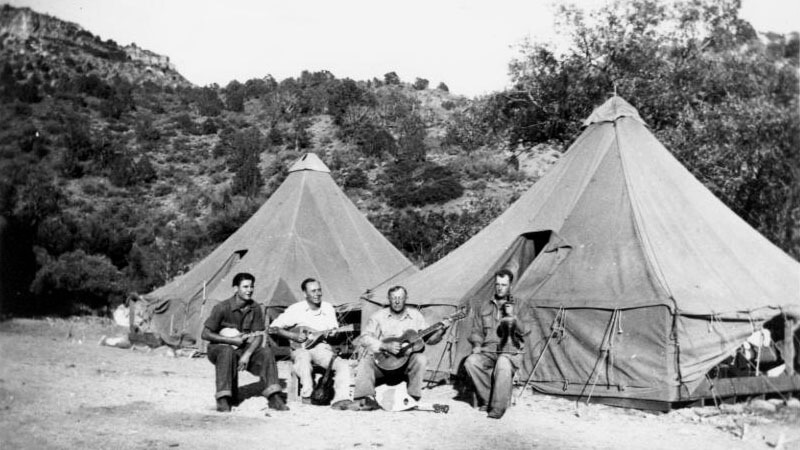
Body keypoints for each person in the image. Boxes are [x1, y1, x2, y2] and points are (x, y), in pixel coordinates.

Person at [354, 286, 452, 410]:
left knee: (420, 358)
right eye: (394, 298)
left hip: (405, 366)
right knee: (366, 361)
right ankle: (364, 399)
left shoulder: (416, 316)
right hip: (383, 365)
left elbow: (430, 340)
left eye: (400, 297)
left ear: (406, 298)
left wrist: (442, 330)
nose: (397, 301)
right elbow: (364, 338)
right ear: (388, 299)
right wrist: (384, 346)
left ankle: (412, 398)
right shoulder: (378, 316)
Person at [201, 272, 288, 413]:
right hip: (218, 348)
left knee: (266, 352)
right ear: (235, 289)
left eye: (251, 287)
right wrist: (230, 340)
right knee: (226, 351)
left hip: (242, 348)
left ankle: (274, 396)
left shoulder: (255, 308)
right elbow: (205, 334)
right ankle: (223, 398)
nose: (249, 290)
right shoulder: (222, 307)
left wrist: (247, 354)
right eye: (245, 287)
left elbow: (259, 335)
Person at [270, 278, 354, 409]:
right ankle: (307, 395)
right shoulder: (296, 309)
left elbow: (334, 331)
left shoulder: (328, 308)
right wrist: (293, 335)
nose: (317, 294)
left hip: (322, 348)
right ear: (305, 294)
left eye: (319, 290)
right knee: (303, 357)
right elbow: (273, 328)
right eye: (313, 291)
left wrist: (333, 334)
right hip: (300, 348)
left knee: (342, 364)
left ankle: (342, 399)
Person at [463, 269, 528, 419]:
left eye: (504, 285)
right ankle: (488, 399)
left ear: (510, 286)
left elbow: (526, 331)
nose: (500, 288)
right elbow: (477, 331)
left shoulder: (520, 305)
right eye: (497, 284)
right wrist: (477, 345)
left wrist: (513, 317)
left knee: (503, 363)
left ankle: (497, 409)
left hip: (510, 351)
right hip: (488, 350)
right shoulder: (485, 306)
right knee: (471, 362)